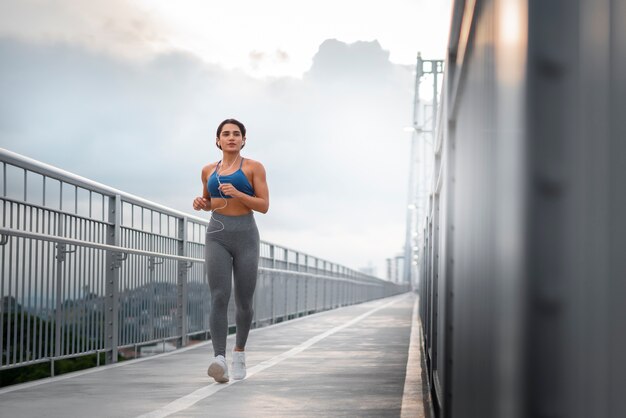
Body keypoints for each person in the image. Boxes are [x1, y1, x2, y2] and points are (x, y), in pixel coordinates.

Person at [192, 118, 269, 383]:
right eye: (226, 134)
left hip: (246, 236)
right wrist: (201, 202)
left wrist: (237, 193)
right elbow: (209, 202)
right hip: (217, 236)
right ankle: (219, 359)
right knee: (219, 296)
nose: (231, 137)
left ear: (244, 140)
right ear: (218, 140)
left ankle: (239, 352)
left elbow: (263, 205)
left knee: (244, 301)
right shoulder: (207, 171)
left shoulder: (253, 167)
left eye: (237, 134)